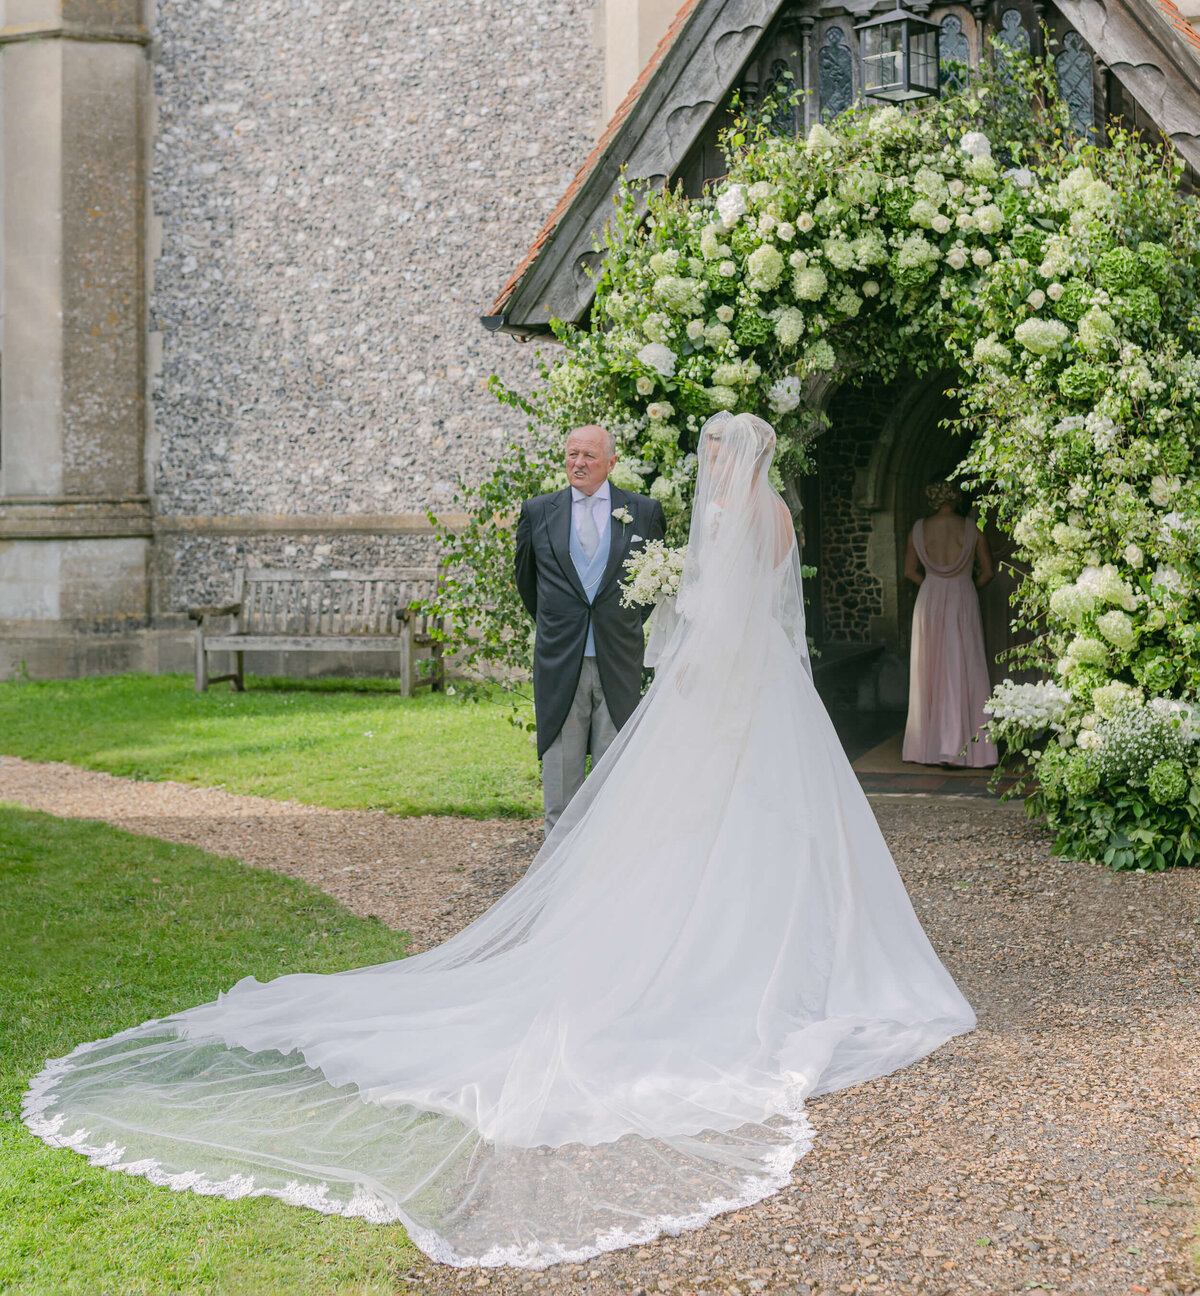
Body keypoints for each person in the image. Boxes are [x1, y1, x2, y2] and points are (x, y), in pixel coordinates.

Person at [24, 414, 976, 1268]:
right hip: (770, 694)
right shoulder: (777, 520)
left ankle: (731, 946)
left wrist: (681, 644)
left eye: (717, 454)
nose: (710, 466)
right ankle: (783, 941)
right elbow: (768, 613)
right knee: (771, 825)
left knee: (718, 822)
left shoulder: (730, 519)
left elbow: (718, 615)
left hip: (724, 687)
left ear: (733, 459)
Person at [514, 425, 667, 834]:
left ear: (612, 463)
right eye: (572, 454)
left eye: (589, 456)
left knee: (613, 781)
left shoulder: (644, 511)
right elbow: (528, 584)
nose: (578, 463)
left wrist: (619, 623)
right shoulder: (537, 511)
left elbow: (649, 588)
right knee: (560, 785)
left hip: (618, 660)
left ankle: (606, 884)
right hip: (561, 661)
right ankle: (555, 885)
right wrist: (561, 625)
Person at [902, 480, 998, 767]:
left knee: (929, 668)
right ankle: (971, 749)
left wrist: (934, 585)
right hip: (962, 598)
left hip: (929, 600)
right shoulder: (972, 529)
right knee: (965, 666)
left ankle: (926, 748)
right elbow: (988, 572)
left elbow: (909, 571)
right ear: (957, 497)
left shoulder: (919, 529)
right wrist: (964, 586)